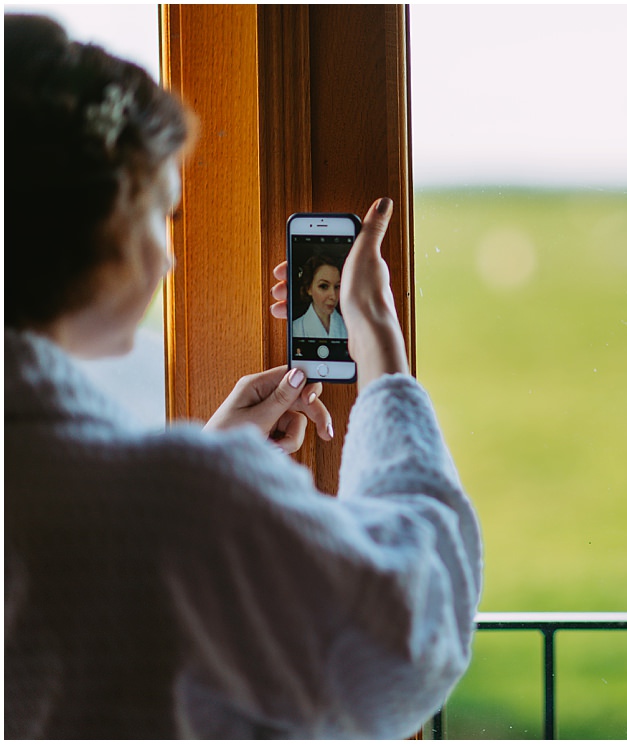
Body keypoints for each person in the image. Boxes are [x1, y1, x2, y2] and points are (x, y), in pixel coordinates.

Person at [4, 13, 481, 739]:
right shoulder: (178, 500)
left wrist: (210, 453)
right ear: (98, 223)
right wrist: (381, 346)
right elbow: (410, 632)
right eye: (164, 214)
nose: (168, 258)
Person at [292, 255, 348, 339]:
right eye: (324, 286)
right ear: (309, 288)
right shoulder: (295, 329)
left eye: (337, 287)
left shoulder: (350, 328)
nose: (333, 296)